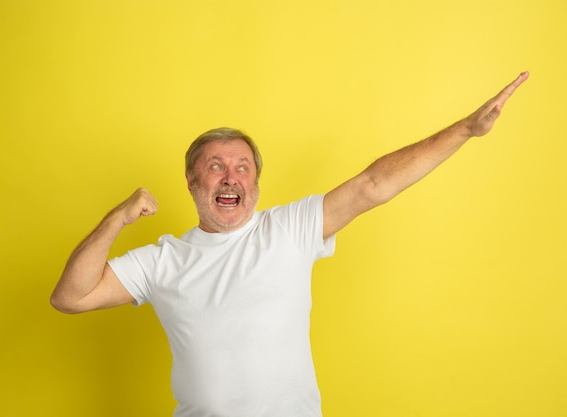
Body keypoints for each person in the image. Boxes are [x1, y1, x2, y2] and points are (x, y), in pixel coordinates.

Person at [50, 72, 529, 417]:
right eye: (215, 166)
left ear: (256, 184)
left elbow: (373, 184)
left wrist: (465, 130)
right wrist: (117, 219)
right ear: (192, 181)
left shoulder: (289, 229)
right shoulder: (162, 260)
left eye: (242, 166)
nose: (230, 175)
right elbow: (70, 297)